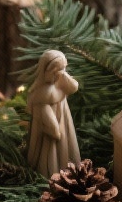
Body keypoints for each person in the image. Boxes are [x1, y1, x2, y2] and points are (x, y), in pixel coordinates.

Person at [26, 50, 81, 178]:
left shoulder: (61, 82)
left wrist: (63, 75)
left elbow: (74, 87)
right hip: (51, 131)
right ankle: (50, 175)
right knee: (51, 153)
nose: (61, 73)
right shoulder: (42, 93)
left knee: (65, 149)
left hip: (64, 123)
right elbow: (45, 115)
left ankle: (69, 171)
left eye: (64, 69)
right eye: (58, 70)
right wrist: (54, 129)